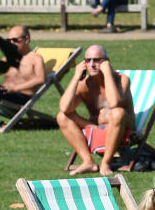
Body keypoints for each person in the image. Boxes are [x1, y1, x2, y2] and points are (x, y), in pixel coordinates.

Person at [57, 45, 135, 175]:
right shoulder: (85, 84)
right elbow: (65, 108)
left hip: (122, 128)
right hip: (95, 128)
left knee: (117, 112)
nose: (91, 64)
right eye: (88, 60)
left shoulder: (121, 79)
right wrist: (76, 77)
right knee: (62, 116)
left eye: (96, 60)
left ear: (106, 62)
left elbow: (114, 102)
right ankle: (88, 162)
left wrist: (107, 73)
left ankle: (105, 163)